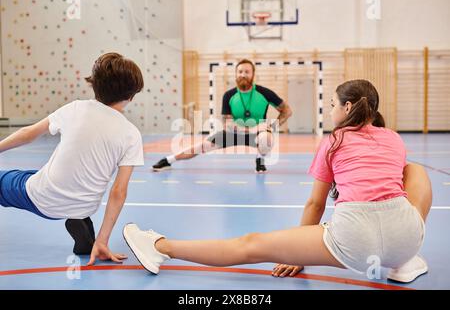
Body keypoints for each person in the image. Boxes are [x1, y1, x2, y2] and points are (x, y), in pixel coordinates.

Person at [124, 79, 431, 283]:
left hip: (354, 240)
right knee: (414, 169)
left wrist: (298, 252)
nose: (330, 109)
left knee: (250, 244)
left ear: (347, 108)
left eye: (334, 104)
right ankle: (404, 263)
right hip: (406, 240)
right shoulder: (393, 138)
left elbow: (315, 203)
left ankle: (160, 246)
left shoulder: (335, 140)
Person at [0, 52, 145, 266]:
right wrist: (103, 240)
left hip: (42, 197)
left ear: (93, 85)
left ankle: (78, 222)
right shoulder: (132, 134)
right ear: (131, 96)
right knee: (41, 176)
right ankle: (85, 232)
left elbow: (29, 133)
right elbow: (118, 192)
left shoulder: (76, 108)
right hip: (83, 206)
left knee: (12, 180)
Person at [152, 59, 293, 173]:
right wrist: (253, 129)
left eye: (247, 72)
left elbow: (287, 111)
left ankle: (260, 160)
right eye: (240, 71)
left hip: (258, 134)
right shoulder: (229, 95)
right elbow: (228, 125)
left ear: (253, 74)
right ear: (236, 74)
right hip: (234, 132)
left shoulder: (264, 93)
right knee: (202, 146)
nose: (243, 74)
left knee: (266, 138)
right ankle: (169, 160)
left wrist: (272, 126)